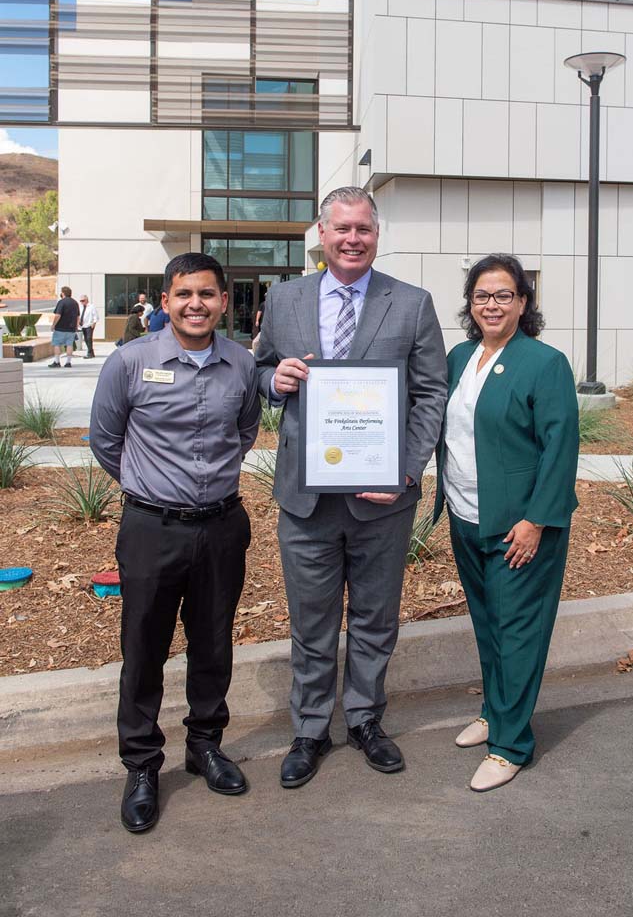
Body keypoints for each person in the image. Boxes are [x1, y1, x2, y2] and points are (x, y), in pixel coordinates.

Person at [255, 186, 447, 789]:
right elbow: (257, 369)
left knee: (374, 618)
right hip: (306, 499)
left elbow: (431, 393)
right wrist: (274, 380)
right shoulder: (283, 299)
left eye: (363, 228)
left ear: (377, 234)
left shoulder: (412, 303)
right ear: (322, 233)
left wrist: (406, 470)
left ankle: (364, 719)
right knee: (311, 623)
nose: (353, 239)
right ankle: (310, 729)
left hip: (383, 501)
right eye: (342, 228)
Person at [90, 252, 261, 835]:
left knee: (213, 642)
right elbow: (105, 439)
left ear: (223, 302)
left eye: (207, 294)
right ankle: (141, 765)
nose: (196, 304)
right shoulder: (130, 362)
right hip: (150, 529)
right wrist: (153, 487)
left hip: (222, 526)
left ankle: (205, 745)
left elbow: (245, 431)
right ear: (165, 301)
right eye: (184, 293)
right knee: (144, 647)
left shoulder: (241, 364)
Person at [433, 254, 579, 794]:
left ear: (522, 302)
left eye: (503, 295)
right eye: (481, 296)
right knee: (488, 623)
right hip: (466, 514)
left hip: (519, 526)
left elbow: (560, 449)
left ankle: (512, 744)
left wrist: (536, 520)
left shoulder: (545, 363)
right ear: (470, 304)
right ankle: (495, 712)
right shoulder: (459, 356)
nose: (491, 305)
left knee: (517, 632)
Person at [48, 285, 80, 368]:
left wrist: (53, 325)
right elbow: (77, 317)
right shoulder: (75, 303)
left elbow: (58, 315)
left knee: (57, 344)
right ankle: (68, 362)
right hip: (71, 328)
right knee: (69, 345)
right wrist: (76, 326)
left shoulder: (61, 302)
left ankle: (57, 361)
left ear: (63, 293)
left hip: (60, 328)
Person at [78, 294, 98, 358]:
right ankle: (91, 352)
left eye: (83, 300)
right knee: (86, 339)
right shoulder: (81, 307)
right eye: (81, 301)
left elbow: (95, 316)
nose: (82, 302)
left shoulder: (91, 307)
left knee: (89, 338)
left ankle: (89, 353)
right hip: (83, 325)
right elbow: (79, 315)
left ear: (86, 300)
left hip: (89, 325)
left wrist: (94, 323)